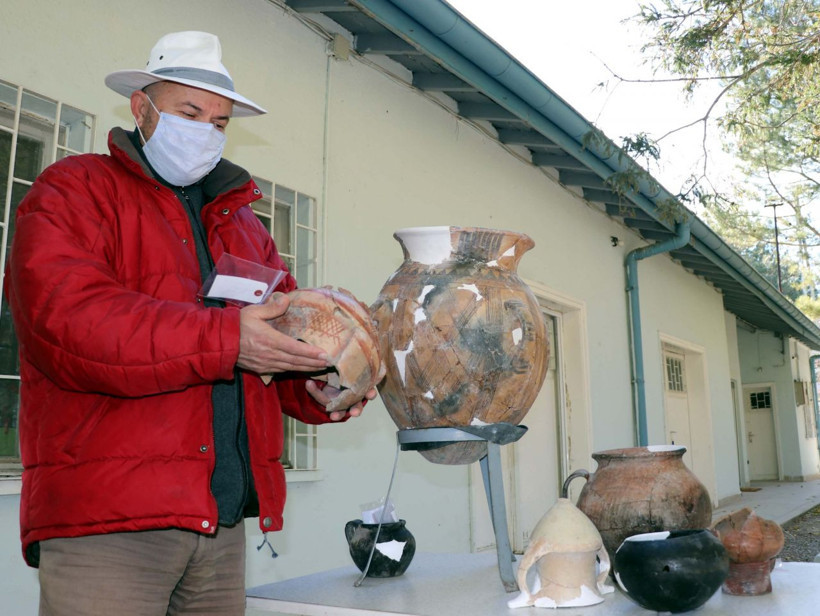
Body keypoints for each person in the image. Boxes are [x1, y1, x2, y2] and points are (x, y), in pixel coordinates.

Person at [6, 31, 374, 615]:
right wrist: (230, 339)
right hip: (109, 524)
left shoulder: (244, 224)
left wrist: (319, 384)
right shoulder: (74, 191)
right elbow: (69, 325)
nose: (207, 130)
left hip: (220, 526)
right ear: (141, 107)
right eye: (190, 112)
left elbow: (273, 343)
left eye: (221, 121)